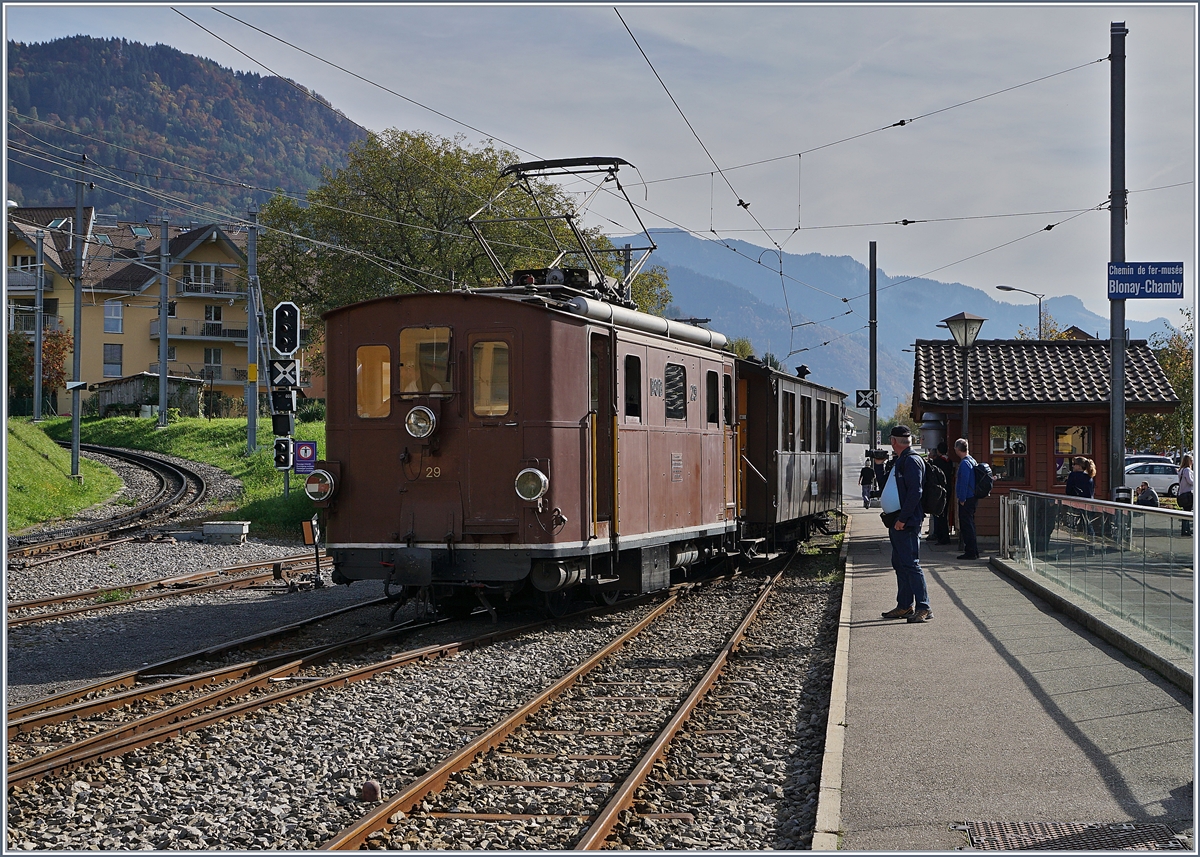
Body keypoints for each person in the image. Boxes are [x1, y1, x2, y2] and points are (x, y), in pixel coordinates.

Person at [879, 425, 932, 623]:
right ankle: (904, 605)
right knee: (900, 563)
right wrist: (878, 465)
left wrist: (903, 519)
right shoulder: (901, 460)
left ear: (893, 441)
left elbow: (915, 492)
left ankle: (924, 607)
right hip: (897, 520)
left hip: (906, 521)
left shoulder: (911, 461)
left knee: (910, 564)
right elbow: (885, 485)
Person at [953, 438, 981, 560]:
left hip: (967, 498)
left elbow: (963, 482)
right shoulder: (972, 461)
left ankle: (970, 551)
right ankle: (974, 550)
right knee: (970, 524)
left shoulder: (964, 463)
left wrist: (962, 498)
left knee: (966, 525)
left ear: (958, 449)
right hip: (973, 497)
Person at [925, 441, 954, 545]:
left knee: (940, 513)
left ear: (938, 451)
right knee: (944, 513)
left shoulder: (937, 462)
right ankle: (943, 536)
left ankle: (942, 537)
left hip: (939, 490)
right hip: (948, 488)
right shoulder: (949, 461)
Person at [1064, 457, 1096, 536]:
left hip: (1076, 505)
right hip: (1089, 504)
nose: (1073, 466)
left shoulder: (1073, 475)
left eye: (1074, 464)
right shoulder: (1089, 476)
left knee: (1074, 526)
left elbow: (1068, 491)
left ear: (1079, 466)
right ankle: (1091, 541)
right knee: (1087, 524)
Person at [1177, 454, 1194, 536]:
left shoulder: (1181, 470)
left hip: (1183, 493)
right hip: (1188, 493)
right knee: (1187, 512)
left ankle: (1186, 529)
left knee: (1186, 511)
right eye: (1192, 460)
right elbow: (1190, 481)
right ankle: (1185, 530)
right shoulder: (1187, 470)